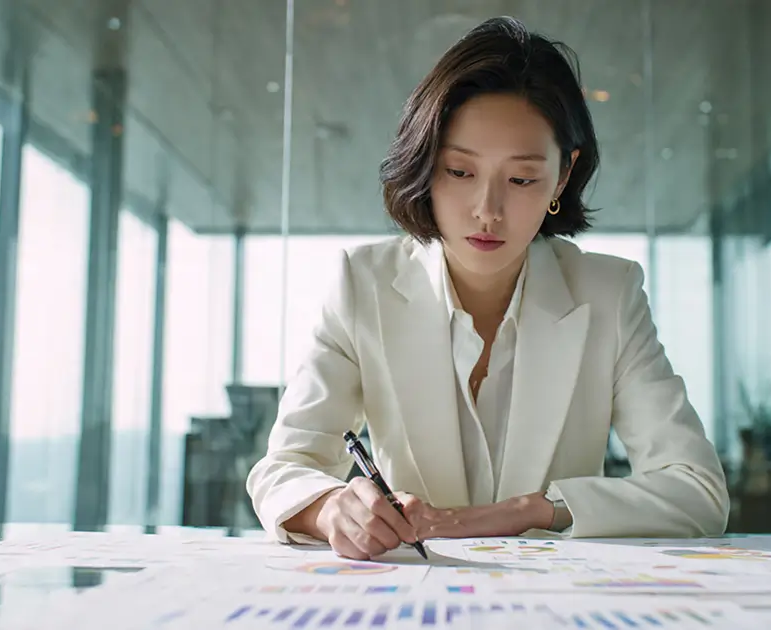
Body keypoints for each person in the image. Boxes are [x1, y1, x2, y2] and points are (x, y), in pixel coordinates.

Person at [246, 16, 728, 560]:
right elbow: (282, 469)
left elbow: (698, 491)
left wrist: (528, 511)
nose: (487, 211)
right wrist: (333, 507)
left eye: (521, 179)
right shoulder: (363, 285)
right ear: (427, 168)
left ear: (563, 177)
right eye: (458, 171)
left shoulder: (608, 294)